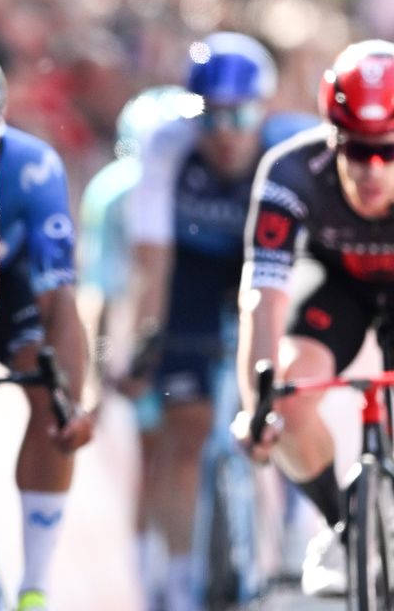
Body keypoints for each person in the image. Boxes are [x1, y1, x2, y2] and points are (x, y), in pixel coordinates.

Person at [125, 32, 315, 611]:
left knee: (281, 399)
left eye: (243, 115)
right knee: (186, 429)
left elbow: (311, 268)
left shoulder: (293, 147)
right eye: (214, 118)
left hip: (269, 267)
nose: (228, 133)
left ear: (267, 106)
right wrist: (146, 340)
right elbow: (153, 263)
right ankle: (182, 579)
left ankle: (294, 527)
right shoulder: (167, 144)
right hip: (193, 274)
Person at [236, 39, 394, 598]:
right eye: (356, 150)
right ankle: (342, 526)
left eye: (388, 151)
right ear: (333, 136)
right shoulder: (290, 171)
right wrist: (259, 409)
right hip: (337, 286)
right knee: (287, 400)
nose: (372, 169)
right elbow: (263, 299)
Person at [0, 41, 94, 611]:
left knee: (53, 391)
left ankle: (35, 585)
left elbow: (59, 297)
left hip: (6, 290)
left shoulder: (33, 167)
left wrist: (66, 399)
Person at [77, 83, 200, 609]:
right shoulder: (112, 196)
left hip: (175, 321)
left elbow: (105, 301)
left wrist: (102, 374)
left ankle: (164, 563)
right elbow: (105, 294)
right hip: (153, 330)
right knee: (162, 452)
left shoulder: (112, 188)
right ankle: (164, 568)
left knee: (168, 453)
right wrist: (103, 373)